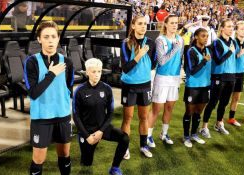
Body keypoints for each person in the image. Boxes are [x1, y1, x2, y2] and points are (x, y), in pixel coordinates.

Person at [24, 21, 74, 175]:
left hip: (63, 116)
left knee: (65, 155)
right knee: (38, 160)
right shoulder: (31, 62)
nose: (50, 40)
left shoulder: (67, 62)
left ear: (58, 38)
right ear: (39, 39)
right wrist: (51, 74)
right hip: (42, 118)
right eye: (46, 37)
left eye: (53, 36)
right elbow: (33, 93)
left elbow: (68, 90)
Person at [73, 58, 129, 175]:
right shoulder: (79, 91)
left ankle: (114, 168)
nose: (97, 75)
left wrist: (101, 131)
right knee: (87, 163)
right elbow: (76, 116)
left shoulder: (106, 88)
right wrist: (87, 136)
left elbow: (110, 112)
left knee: (124, 138)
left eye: (99, 71)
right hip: (87, 131)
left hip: (103, 127)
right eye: (93, 72)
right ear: (87, 72)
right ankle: (86, 151)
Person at [120, 16, 157, 159]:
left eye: (145, 24)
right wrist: (138, 56)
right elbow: (125, 68)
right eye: (140, 24)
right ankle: (125, 148)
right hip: (129, 86)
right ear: (133, 26)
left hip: (145, 85)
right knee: (127, 118)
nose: (143, 26)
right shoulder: (126, 43)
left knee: (143, 117)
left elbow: (153, 64)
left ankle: (143, 145)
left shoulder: (151, 43)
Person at [147, 14, 184, 148]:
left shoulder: (180, 39)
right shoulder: (160, 40)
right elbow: (161, 61)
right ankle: (148, 136)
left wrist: (179, 74)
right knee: (156, 109)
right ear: (166, 24)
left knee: (169, 108)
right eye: (172, 23)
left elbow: (180, 59)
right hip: (162, 78)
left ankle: (164, 133)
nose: (175, 25)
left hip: (174, 78)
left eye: (176, 23)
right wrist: (174, 48)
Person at [200, 18, 237, 138]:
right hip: (218, 76)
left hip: (231, 76)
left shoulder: (233, 41)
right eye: (229, 26)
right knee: (213, 102)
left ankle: (219, 123)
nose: (231, 29)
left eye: (232, 26)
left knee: (224, 102)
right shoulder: (217, 43)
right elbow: (219, 60)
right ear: (222, 28)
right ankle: (204, 127)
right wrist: (230, 52)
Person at [183, 28, 212, 147]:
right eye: (203, 36)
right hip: (193, 87)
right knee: (189, 112)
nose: (206, 38)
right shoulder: (191, 51)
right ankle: (186, 136)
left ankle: (194, 134)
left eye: (207, 36)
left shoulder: (208, 50)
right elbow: (192, 70)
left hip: (205, 86)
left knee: (198, 113)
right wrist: (204, 61)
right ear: (196, 37)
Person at [228, 21, 244, 127]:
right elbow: (227, 59)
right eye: (241, 28)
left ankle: (231, 118)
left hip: (241, 73)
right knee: (225, 98)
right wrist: (238, 54)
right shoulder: (231, 42)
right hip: (230, 73)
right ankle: (219, 120)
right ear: (236, 30)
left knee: (236, 97)